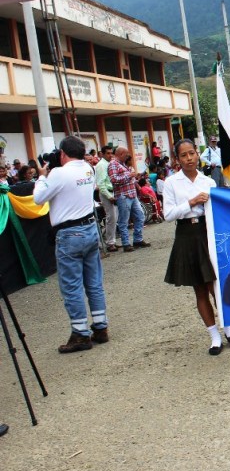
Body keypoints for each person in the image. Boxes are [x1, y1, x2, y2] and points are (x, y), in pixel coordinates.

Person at [33, 136, 110, 353]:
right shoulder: (88, 168)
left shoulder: (58, 173)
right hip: (89, 229)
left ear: (63, 154)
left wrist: (41, 177)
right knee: (94, 283)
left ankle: (80, 334)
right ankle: (101, 327)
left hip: (69, 234)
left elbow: (38, 198)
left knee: (72, 286)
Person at [163, 139, 230, 355]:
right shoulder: (171, 183)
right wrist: (191, 202)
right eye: (183, 155)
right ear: (177, 159)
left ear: (198, 155)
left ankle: (228, 326)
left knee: (217, 283)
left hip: (209, 232)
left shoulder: (208, 181)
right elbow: (168, 215)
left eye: (192, 154)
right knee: (200, 287)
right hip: (187, 234)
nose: (189, 159)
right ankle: (214, 336)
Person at [108, 146, 150, 251]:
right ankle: (126, 244)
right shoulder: (113, 164)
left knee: (140, 216)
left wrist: (134, 177)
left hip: (132, 195)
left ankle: (138, 240)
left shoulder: (122, 164)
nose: (127, 157)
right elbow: (114, 180)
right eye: (126, 154)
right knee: (124, 221)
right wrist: (129, 175)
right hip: (123, 196)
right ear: (121, 154)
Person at [95, 147, 119, 253]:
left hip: (112, 191)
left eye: (111, 153)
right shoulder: (101, 165)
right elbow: (101, 183)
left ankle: (111, 240)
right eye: (108, 153)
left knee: (114, 217)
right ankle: (110, 242)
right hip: (106, 193)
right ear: (102, 154)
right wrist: (109, 196)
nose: (110, 155)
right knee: (111, 217)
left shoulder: (110, 163)